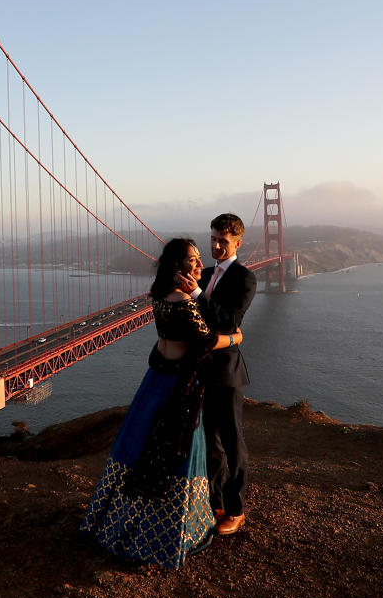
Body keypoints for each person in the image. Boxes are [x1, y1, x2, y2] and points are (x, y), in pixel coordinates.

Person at [81, 238, 244, 568]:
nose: (200, 265)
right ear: (178, 267)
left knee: (140, 449)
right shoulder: (184, 299)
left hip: (155, 382)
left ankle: (119, 520)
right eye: (193, 260)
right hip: (180, 386)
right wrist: (236, 337)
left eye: (200, 259)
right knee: (176, 453)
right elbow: (208, 340)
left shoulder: (159, 296)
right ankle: (169, 532)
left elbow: (164, 341)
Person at [182, 213, 257, 535]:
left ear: (238, 243)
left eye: (222, 241)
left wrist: (197, 295)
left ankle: (236, 510)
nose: (215, 245)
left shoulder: (245, 279)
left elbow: (228, 320)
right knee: (210, 442)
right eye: (212, 239)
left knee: (232, 442)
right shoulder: (206, 272)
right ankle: (217, 504)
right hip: (200, 369)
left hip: (226, 373)